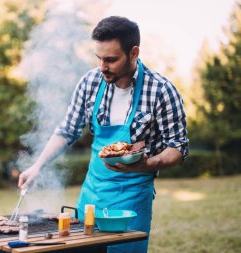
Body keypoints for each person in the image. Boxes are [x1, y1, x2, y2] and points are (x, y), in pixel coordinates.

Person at [18, 16, 189, 253]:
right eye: (98, 58)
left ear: (134, 53)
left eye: (111, 59)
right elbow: (67, 130)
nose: (102, 67)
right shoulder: (90, 83)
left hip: (132, 197)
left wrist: (147, 164)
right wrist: (37, 166)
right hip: (91, 195)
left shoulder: (161, 90)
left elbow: (178, 147)